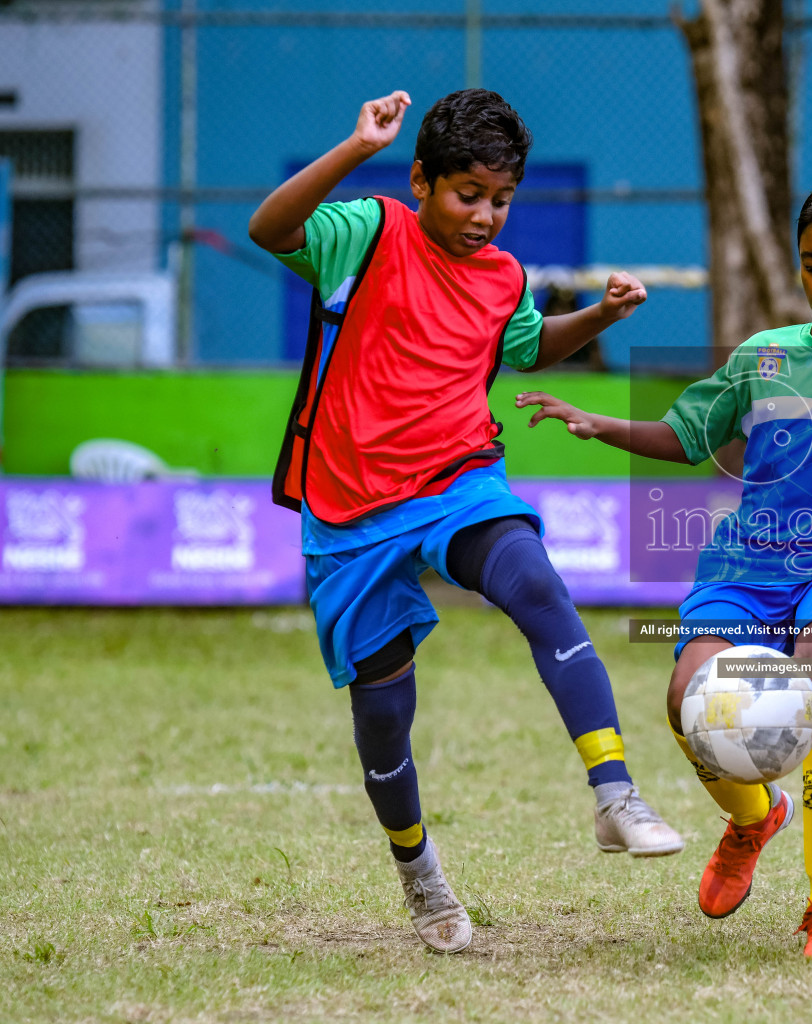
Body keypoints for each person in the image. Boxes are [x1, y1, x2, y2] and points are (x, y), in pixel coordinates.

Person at [247, 89, 683, 954]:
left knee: (536, 585)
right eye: (467, 194)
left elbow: (522, 344)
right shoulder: (365, 232)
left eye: (501, 198)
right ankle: (419, 873)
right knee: (382, 713)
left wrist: (598, 315)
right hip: (352, 507)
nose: (485, 216)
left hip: (459, 477)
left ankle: (615, 792)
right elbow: (270, 230)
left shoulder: (507, 277)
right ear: (420, 180)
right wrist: (351, 145)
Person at [515, 177, 812, 960]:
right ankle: (751, 818)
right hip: (746, 566)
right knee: (685, 697)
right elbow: (688, 434)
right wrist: (599, 424)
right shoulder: (762, 357)